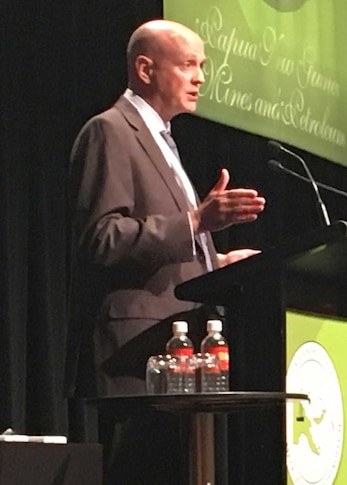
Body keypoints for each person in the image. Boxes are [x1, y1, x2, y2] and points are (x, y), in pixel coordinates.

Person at [66, 19, 266, 483]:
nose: (200, 78)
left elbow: (167, 247)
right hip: (135, 357)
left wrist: (218, 263)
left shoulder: (164, 141)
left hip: (178, 357)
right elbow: (103, 238)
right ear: (145, 68)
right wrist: (197, 220)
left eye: (202, 66)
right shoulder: (110, 131)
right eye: (188, 65)